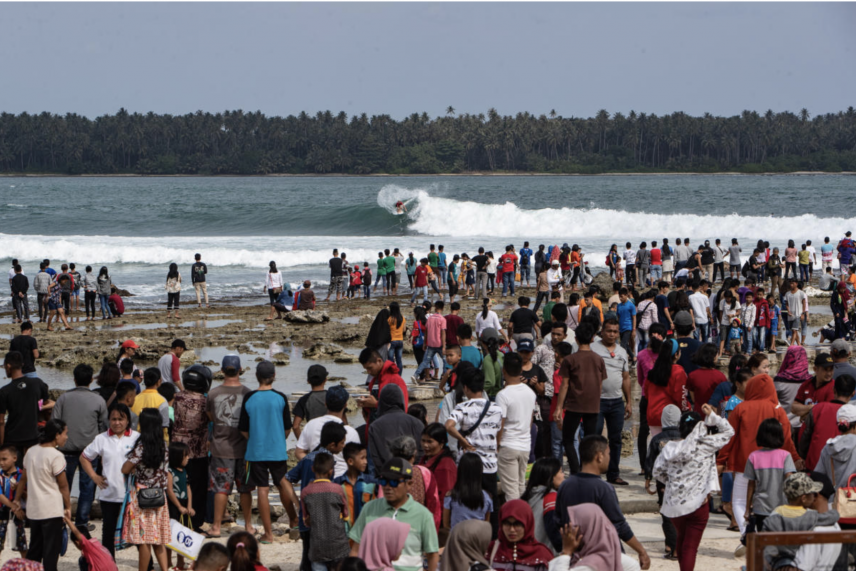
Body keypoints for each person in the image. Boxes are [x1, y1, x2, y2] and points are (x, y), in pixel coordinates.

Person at [717, 374, 802, 537]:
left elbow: (729, 437)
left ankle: (745, 533)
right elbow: (787, 438)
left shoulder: (740, 408)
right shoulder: (778, 410)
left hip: (743, 462)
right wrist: (796, 458)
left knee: (740, 500)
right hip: (774, 464)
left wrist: (721, 460)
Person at [653, 405, 734, 571]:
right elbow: (729, 432)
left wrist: (671, 482)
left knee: (682, 542)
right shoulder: (707, 445)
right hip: (698, 503)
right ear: (701, 428)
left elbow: (658, 471)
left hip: (674, 505)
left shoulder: (669, 447)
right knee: (690, 547)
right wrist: (712, 415)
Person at [555, 436, 650, 569]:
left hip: (573, 556)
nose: (609, 458)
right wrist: (641, 551)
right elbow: (619, 525)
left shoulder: (565, 486)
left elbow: (559, 521)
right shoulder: (603, 489)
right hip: (602, 557)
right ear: (599, 456)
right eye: (608, 454)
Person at [238, 360, 297, 544]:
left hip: (256, 451)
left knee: (262, 490)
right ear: (274, 376)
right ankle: (295, 520)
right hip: (277, 449)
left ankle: (268, 534)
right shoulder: (280, 397)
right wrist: (278, 438)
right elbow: (287, 427)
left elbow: (243, 428)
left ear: (256, 376)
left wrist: (255, 439)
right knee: (283, 484)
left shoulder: (249, 397)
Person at [349, 458, 440, 571]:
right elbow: (356, 549)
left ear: (409, 484)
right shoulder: (369, 508)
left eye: (394, 482)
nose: (387, 487)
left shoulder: (423, 515)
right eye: (383, 481)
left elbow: (432, 555)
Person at [51, 363, 108, 535]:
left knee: (63, 486)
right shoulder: (98, 400)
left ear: (74, 379)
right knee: (87, 487)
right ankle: (82, 523)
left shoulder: (63, 399)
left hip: (65, 451)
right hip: (90, 452)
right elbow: (103, 427)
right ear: (91, 379)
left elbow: (54, 423)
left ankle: (62, 519)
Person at [445, 369, 502, 532]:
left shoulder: (462, 407)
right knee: (492, 503)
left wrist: (463, 441)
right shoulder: (496, 408)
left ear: (466, 388)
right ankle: (491, 537)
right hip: (489, 464)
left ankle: (461, 531)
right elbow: (499, 433)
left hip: (468, 464)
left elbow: (448, 426)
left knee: (463, 500)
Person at [79, 403, 138, 558]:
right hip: (109, 494)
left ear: (127, 420)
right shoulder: (101, 438)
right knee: (108, 533)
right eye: (114, 419)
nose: (117, 422)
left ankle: (148, 565)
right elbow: (84, 457)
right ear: (109, 420)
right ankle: (109, 565)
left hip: (131, 495)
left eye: (121, 419)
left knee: (137, 533)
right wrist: (94, 476)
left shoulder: (136, 437)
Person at [206, 354, 254, 538]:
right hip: (244, 449)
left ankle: (216, 527)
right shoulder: (248, 393)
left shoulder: (213, 394)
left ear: (222, 370)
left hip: (220, 447)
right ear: (240, 369)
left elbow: (211, 417)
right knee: (245, 489)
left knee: (220, 488)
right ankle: (248, 525)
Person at [120, 409, 171, 571]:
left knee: (143, 539)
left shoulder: (141, 447)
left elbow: (125, 469)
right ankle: (165, 569)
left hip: (142, 496)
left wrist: (135, 470)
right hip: (159, 496)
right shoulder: (164, 446)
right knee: (158, 539)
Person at [18, 419, 71, 571]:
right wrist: (67, 506)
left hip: (34, 510)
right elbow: (63, 485)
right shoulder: (56, 455)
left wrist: (16, 500)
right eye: (65, 434)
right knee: (50, 552)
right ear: (56, 435)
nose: (66, 437)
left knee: (35, 549)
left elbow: (23, 479)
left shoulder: (31, 451)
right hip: (51, 510)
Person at [553, 323, 606, 474]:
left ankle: (576, 470)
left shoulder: (570, 360)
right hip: (593, 405)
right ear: (592, 338)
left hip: (574, 405)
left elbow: (564, 385)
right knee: (589, 441)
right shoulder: (598, 359)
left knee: (568, 439)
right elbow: (600, 384)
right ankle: (587, 470)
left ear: (575, 339)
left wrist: (558, 407)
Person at [762, 472, 840, 571]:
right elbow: (827, 518)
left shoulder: (774, 517)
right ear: (803, 498)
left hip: (778, 563)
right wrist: (835, 514)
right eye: (812, 493)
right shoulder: (811, 517)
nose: (814, 496)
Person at [590, 318, 632, 486]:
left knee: (616, 439)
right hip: (596, 401)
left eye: (615, 331)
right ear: (602, 331)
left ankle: (614, 473)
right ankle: (592, 472)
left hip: (616, 402)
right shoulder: (593, 348)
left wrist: (629, 402)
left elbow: (626, 377)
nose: (612, 334)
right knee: (594, 437)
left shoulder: (622, 351)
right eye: (609, 331)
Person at [173, 364, 211, 531]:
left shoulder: (175, 398)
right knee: (197, 488)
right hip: (198, 451)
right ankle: (195, 523)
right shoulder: (205, 401)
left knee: (176, 486)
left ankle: (176, 519)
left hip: (176, 450)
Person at [496, 353, 537, 500]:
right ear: (521, 370)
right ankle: (525, 517)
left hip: (508, 445)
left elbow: (500, 423)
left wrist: (497, 444)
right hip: (525, 445)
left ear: (504, 370)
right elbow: (530, 419)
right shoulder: (530, 392)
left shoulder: (503, 395)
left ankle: (515, 518)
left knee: (511, 490)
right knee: (520, 486)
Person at [0, 351, 52, 466]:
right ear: (22, 364)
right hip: (32, 436)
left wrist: (2, 445)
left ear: (8, 366)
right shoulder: (37, 383)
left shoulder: (5, 391)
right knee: (32, 472)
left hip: (12, 438)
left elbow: (1, 421)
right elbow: (46, 405)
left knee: (14, 475)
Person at [744, 419, 796, 534]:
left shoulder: (753, 456)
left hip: (760, 507)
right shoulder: (785, 455)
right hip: (782, 507)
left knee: (763, 541)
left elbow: (751, 485)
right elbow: (790, 480)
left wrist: (747, 509)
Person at [295, 386, 360, 478]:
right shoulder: (351, 432)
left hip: (317, 479)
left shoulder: (311, 424)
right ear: (345, 405)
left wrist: (317, 466)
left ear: (325, 404)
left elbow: (299, 452)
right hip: (342, 481)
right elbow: (356, 462)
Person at [301, 453, 351, 571]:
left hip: (317, 548)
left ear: (313, 469)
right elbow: (346, 515)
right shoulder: (337, 489)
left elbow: (306, 521)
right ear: (331, 471)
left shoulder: (306, 492)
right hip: (339, 546)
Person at [798, 374, 856, 472]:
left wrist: (802, 457)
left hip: (814, 467)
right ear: (853, 393)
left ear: (834, 390)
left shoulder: (818, 409)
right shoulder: (853, 415)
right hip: (845, 472)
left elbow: (804, 437)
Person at [368, 385, 424, 472]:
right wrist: (411, 472)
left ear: (382, 402)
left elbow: (375, 459)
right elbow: (422, 453)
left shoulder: (375, 426)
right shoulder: (417, 423)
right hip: (413, 474)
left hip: (387, 477)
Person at [487, 500, 553, 571]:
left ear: (527, 524)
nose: (512, 529)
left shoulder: (541, 554)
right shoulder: (491, 549)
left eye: (517, 524)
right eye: (507, 523)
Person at [645, 339, 688, 437]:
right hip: (670, 417)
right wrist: (687, 409)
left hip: (653, 416)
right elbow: (681, 397)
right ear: (676, 354)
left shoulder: (653, 371)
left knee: (657, 448)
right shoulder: (678, 372)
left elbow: (647, 394)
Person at [521, 457, 564, 554]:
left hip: (525, 552)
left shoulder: (526, 497)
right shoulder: (552, 498)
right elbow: (555, 533)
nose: (563, 475)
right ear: (552, 476)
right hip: (545, 555)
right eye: (560, 472)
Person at [442, 452, 492, 529]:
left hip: (457, 537)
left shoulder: (451, 495)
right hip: (478, 538)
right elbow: (486, 524)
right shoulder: (487, 497)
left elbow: (445, 524)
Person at [418, 423, 457, 503]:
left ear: (441, 443)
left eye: (430, 442)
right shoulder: (425, 459)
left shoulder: (445, 465)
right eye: (423, 441)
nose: (425, 445)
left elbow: (445, 497)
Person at [686, 343, 726, 415]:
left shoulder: (692, 375)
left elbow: (693, 399)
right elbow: (724, 401)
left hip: (698, 413)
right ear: (713, 357)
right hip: (715, 415)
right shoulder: (721, 376)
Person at [132, 368, 170, 438]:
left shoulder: (134, 399)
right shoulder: (162, 401)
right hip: (154, 440)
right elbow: (164, 427)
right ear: (159, 382)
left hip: (136, 438)